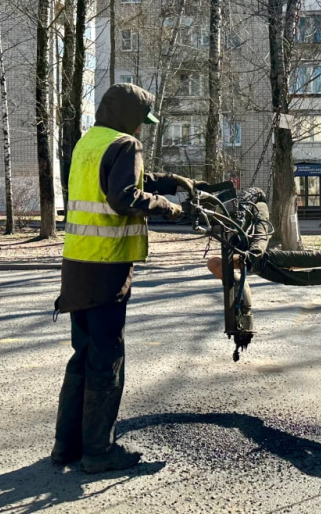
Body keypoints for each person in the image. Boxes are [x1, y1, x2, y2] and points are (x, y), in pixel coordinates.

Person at [51, 83, 207, 473]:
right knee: (107, 360)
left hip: (77, 265)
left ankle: (66, 447)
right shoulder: (125, 144)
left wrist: (169, 180)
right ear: (127, 117)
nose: (141, 130)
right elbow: (123, 196)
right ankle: (99, 453)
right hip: (107, 267)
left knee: (83, 357)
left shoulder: (89, 142)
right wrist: (167, 208)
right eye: (140, 122)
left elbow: (121, 179)